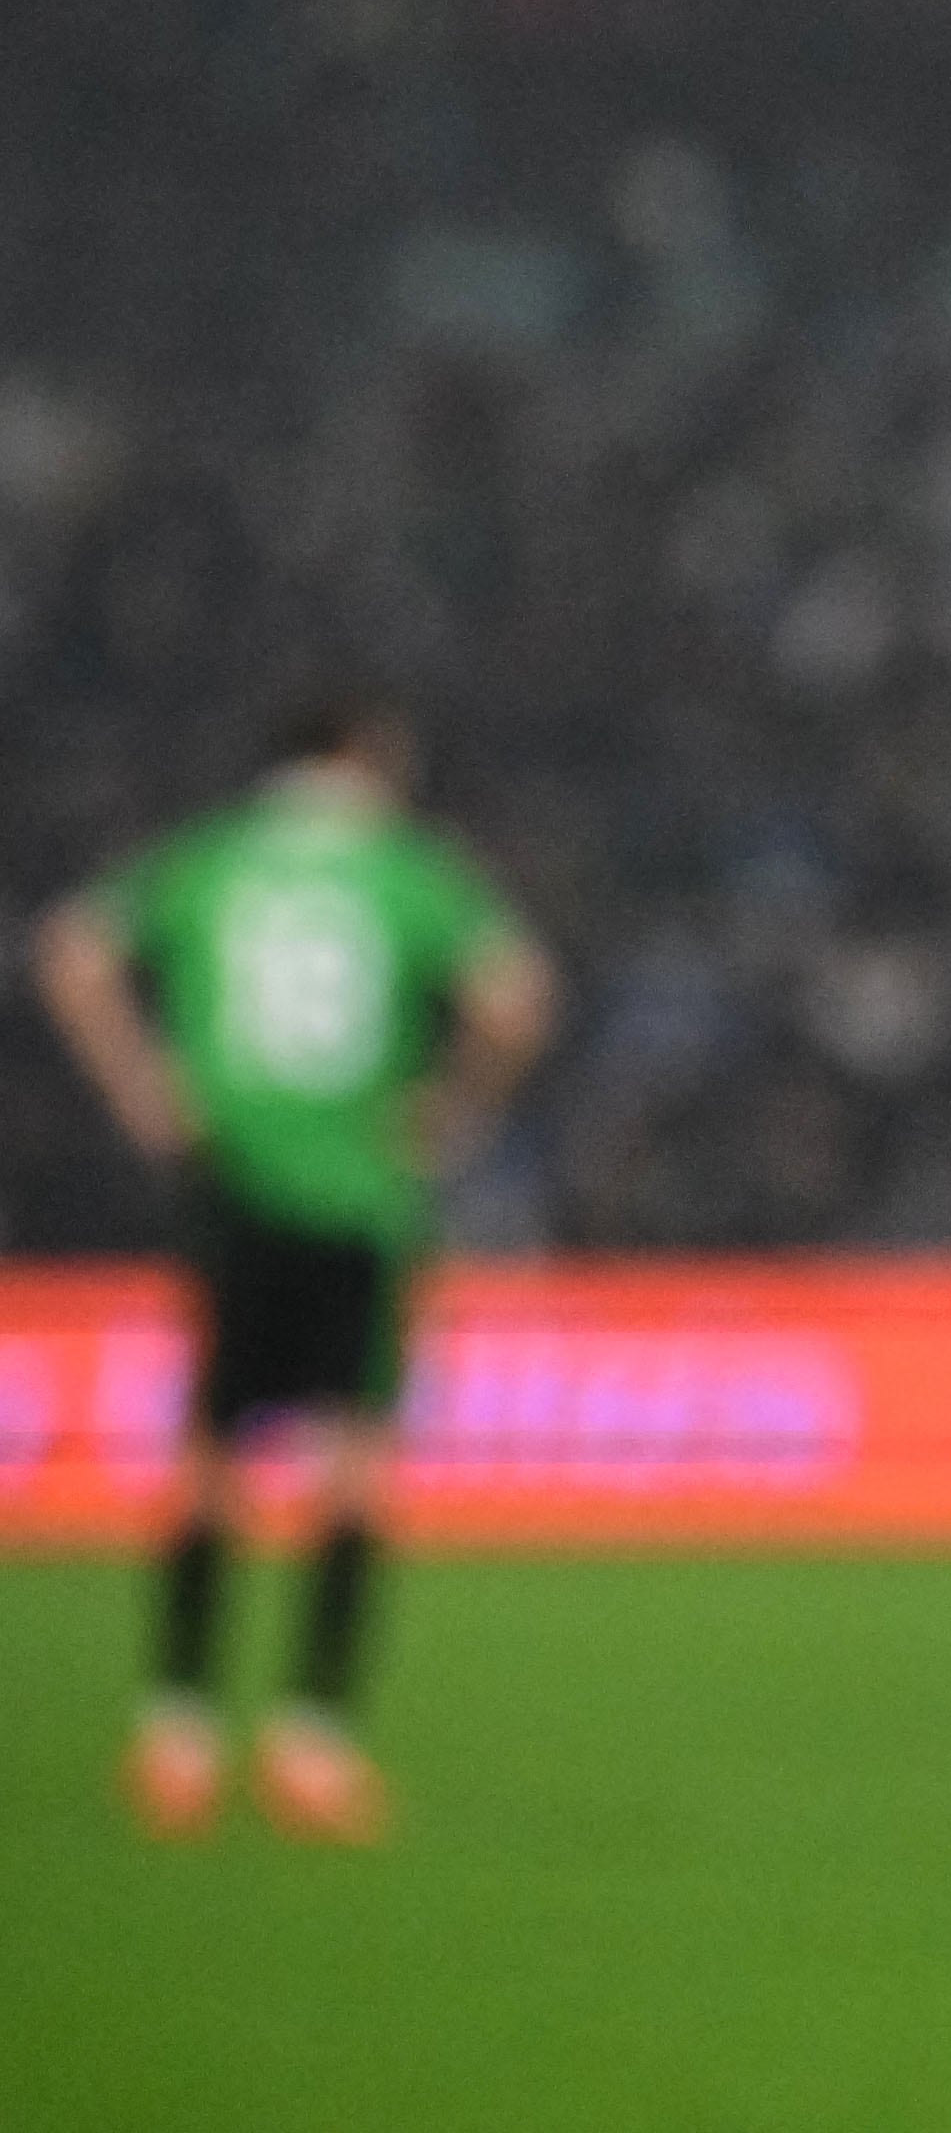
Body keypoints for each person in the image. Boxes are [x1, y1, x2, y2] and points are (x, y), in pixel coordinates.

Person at [34, 689, 556, 1845]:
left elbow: (73, 952)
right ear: (366, 760)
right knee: (356, 1463)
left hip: (232, 1183)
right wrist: (453, 1110)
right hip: (362, 1196)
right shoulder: (405, 870)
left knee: (210, 1456)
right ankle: (312, 1741)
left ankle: (177, 1734)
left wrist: (144, 1088)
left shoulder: (210, 859)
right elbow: (517, 997)